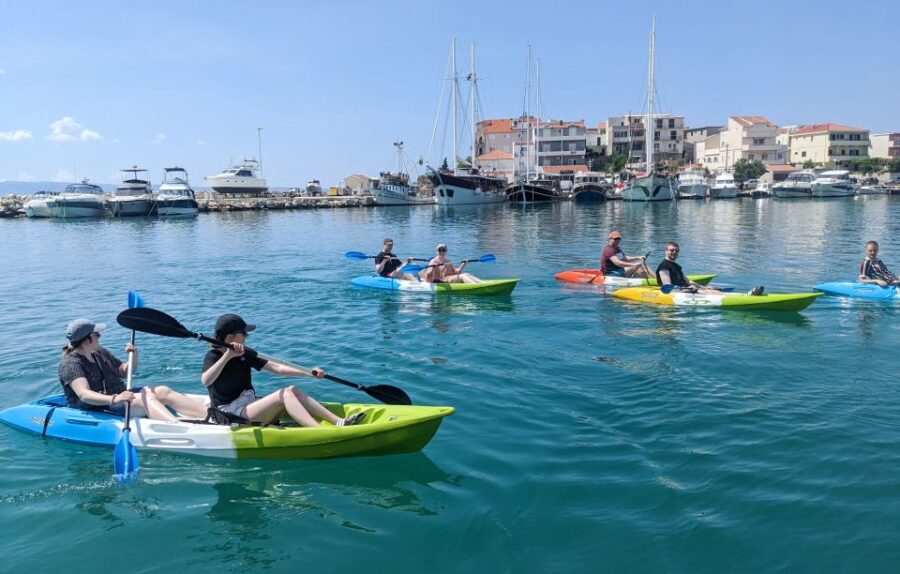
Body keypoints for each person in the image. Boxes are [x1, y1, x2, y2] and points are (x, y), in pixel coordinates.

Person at [200, 313, 365, 427]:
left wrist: (309, 373)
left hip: (249, 404)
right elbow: (206, 380)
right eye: (244, 334)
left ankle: (338, 421)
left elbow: (277, 368)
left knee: (292, 390)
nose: (246, 337)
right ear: (230, 338)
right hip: (230, 413)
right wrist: (228, 356)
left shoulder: (245, 352)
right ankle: (318, 431)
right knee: (285, 394)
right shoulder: (213, 356)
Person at [58, 318, 207, 421]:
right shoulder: (71, 364)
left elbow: (124, 371)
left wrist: (133, 357)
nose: (99, 337)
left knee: (162, 390)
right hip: (101, 406)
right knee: (146, 399)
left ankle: (210, 415)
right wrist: (115, 399)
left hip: (119, 395)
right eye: (96, 334)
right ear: (86, 340)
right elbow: (84, 395)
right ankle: (177, 427)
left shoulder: (98, 352)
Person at [655, 241, 762, 295]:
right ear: (666, 251)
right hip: (679, 292)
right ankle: (743, 298)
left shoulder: (676, 266)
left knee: (710, 289)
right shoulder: (664, 266)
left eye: (676, 251)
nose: (674, 252)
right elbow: (667, 287)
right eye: (672, 250)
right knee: (707, 293)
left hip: (686, 288)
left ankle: (743, 295)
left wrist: (704, 286)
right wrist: (691, 289)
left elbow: (687, 280)